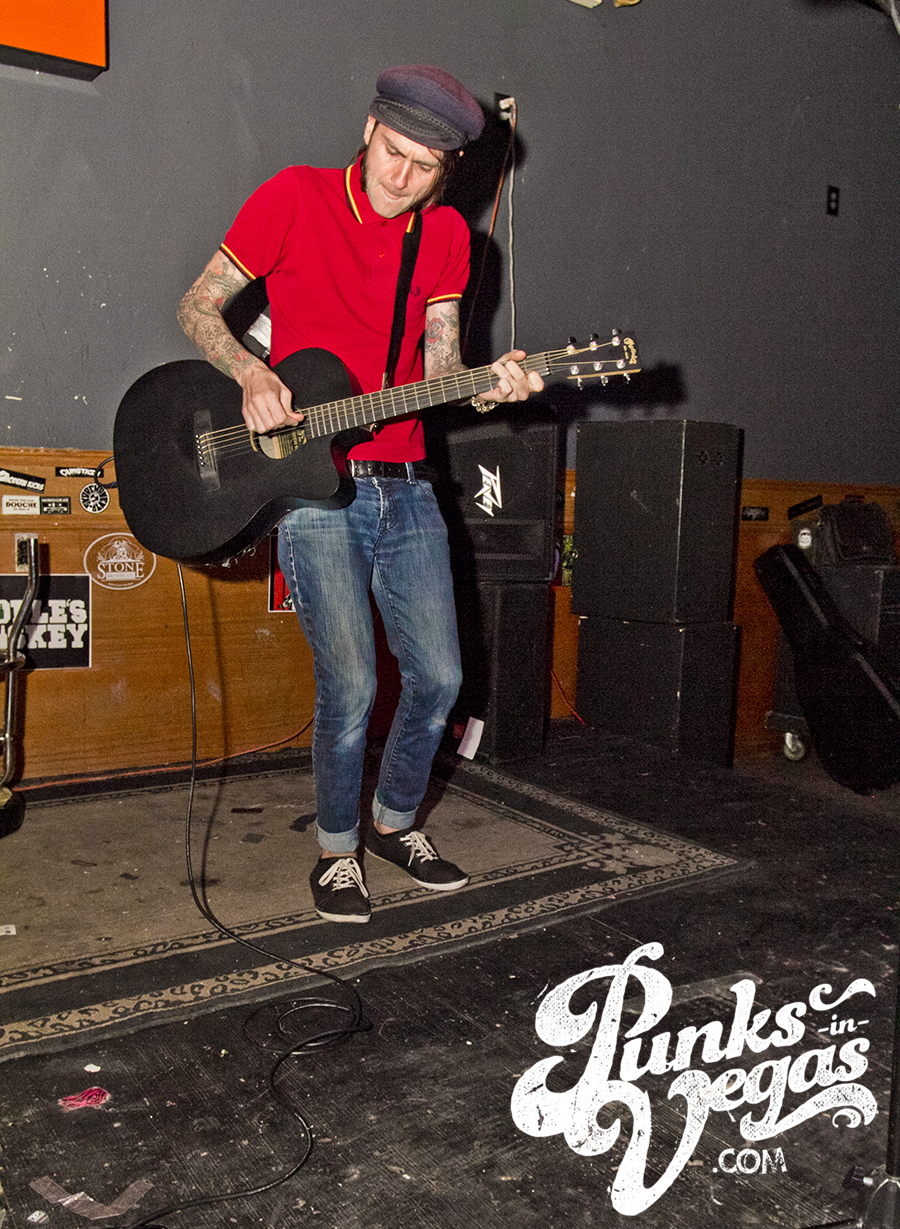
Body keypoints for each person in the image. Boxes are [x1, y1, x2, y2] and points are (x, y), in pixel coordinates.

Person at [177, 64, 544, 924]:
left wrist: (490, 387)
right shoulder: (294, 197)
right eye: (392, 152)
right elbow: (197, 307)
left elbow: (443, 368)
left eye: (425, 165)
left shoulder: (446, 237)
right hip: (316, 490)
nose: (402, 176)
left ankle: (393, 822)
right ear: (368, 131)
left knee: (441, 677)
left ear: (448, 169)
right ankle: (337, 850)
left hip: (408, 487)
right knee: (349, 685)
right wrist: (250, 372)